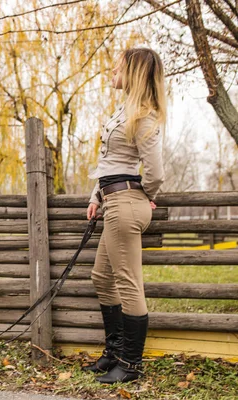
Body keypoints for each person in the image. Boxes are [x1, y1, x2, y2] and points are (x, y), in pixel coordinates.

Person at [83, 47, 166, 384]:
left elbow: (155, 173)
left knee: (129, 286)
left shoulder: (145, 116)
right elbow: (112, 164)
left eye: (117, 67)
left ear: (132, 72)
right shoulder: (122, 112)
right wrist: (96, 196)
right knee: (101, 278)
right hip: (113, 201)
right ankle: (114, 354)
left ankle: (130, 366)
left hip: (127, 204)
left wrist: (144, 197)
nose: (111, 70)